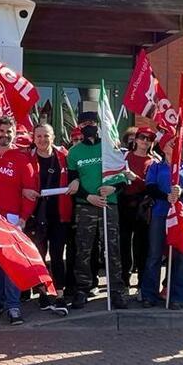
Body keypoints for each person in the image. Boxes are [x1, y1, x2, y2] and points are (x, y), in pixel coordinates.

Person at [0, 116, 38, 324]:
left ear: (14, 134)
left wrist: (23, 218)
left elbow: (30, 192)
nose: (5, 135)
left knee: (12, 262)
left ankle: (13, 306)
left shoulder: (23, 158)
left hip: (13, 220)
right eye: (2, 131)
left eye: (9, 131)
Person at [67, 111, 129, 310]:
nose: (89, 126)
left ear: (98, 124)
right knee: (83, 248)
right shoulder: (74, 152)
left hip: (109, 204)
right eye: (84, 123)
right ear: (79, 127)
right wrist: (88, 197)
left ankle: (116, 291)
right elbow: (72, 181)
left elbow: (123, 179)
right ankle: (82, 289)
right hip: (85, 206)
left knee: (112, 249)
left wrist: (113, 188)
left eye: (92, 122)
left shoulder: (110, 148)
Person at [141, 134, 183, 309]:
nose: (175, 146)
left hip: (181, 215)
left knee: (180, 255)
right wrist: (166, 196)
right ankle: (149, 294)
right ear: (164, 146)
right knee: (155, 254)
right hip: (160, 213)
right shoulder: (156, 167)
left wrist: (181, 192)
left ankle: (177, 296)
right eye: (172, 143)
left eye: (178, 143)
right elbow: (150, 187)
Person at [25, 123, 75, 315]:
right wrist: (24, 190)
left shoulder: (64, 156)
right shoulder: (26, 158)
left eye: (46, 135)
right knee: (38, 255)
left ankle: (59, 294)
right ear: (33, 138)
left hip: (59, 214)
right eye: (38, 136)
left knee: (57, 255)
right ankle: (42, 292)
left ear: (53, 137)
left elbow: (75, 174)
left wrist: (76, 181)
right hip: (35, 214)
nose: (42, 139)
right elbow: (19, 182)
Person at [120, 127, 155, 294]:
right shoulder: (125, 156)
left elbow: (151, 186)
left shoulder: (153, 161)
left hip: (143, 206)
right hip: (124, 204)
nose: (145, 141)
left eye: (149, 138)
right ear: (136, 139)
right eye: (142, 137)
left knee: (142, 245)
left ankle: (142, 283)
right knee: (124, 244)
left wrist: (136, 179)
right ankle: (124, 282)